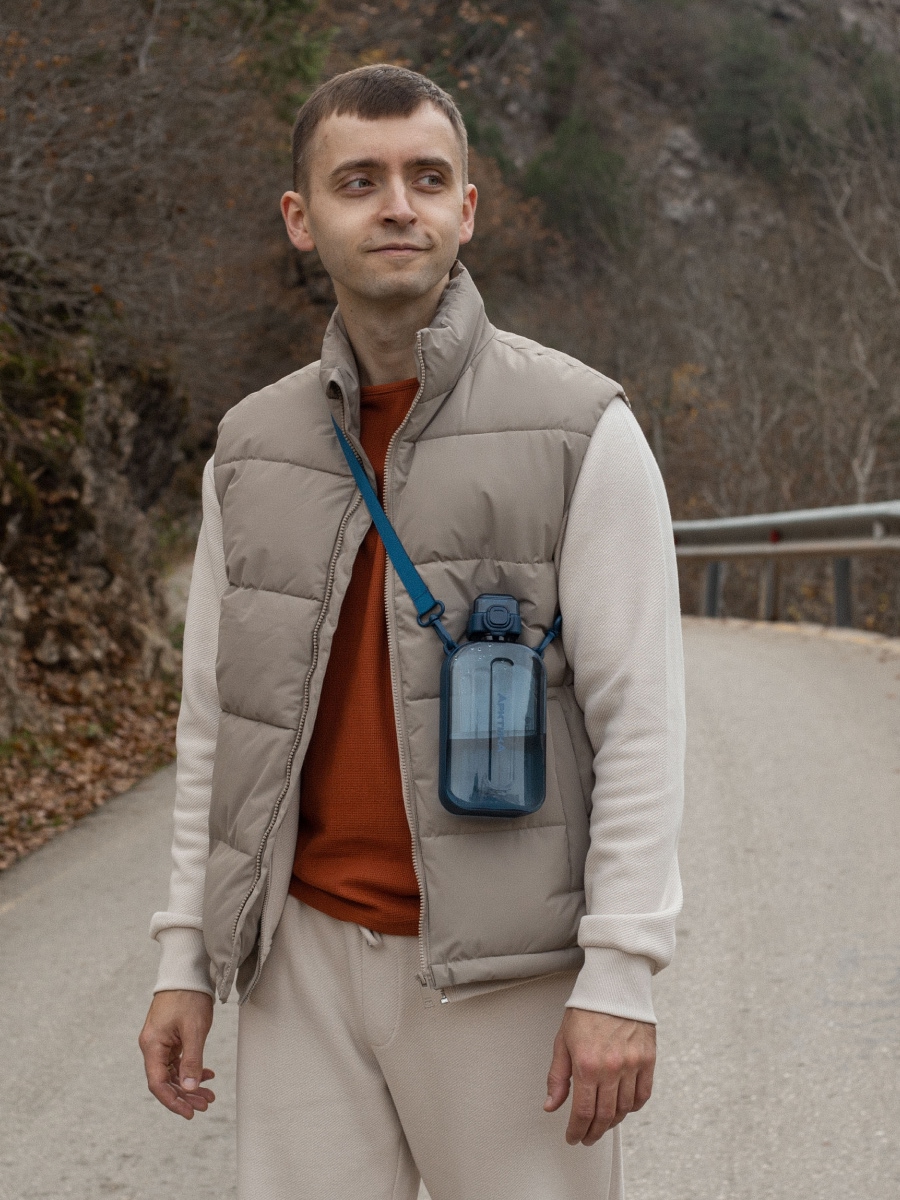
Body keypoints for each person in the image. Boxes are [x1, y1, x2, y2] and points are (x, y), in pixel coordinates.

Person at [139, 64, 685, 1200]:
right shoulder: (249, 448)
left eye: (428, 179)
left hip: (508, 976)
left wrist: (621, 971)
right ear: (302, 218)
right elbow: (215, 730)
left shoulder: (582, 428)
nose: (399, 206)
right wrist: (184, 955)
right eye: (360, 181)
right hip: (300, 963)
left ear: (466, 209)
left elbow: (640, 721)